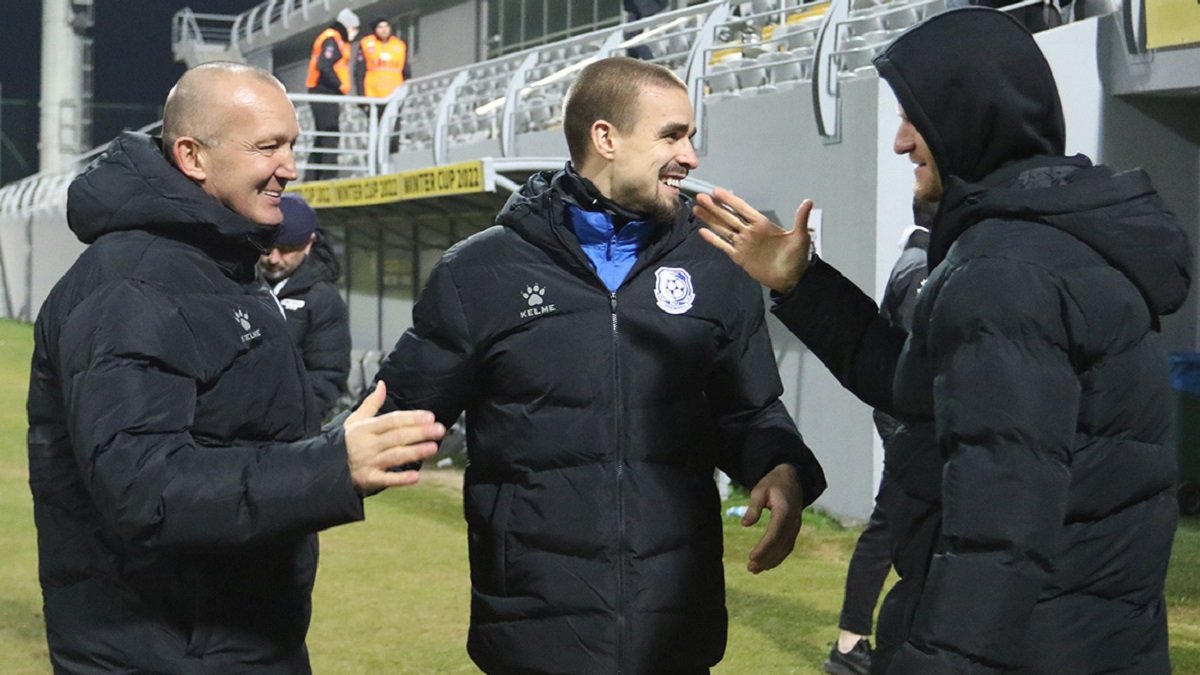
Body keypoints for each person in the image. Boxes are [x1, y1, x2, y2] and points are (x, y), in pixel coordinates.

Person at [694, 8, 1189, 673]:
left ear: (969, 117)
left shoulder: (1004, 270)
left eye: (913, 118)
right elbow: (927, 389)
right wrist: (803, 283)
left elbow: (998, 532)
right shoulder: (1056, 244)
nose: (901, 142)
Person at [372, 56, 827, 674]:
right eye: (672, 135)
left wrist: (780, 466)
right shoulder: (479, 272)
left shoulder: (716, 263)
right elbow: (390, 421)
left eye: (691, 136)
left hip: (675, 633)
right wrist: (297, 477)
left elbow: (751, 410)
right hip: (535, 637)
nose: (690, 157)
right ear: (605, 138)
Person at [26, 62, 445, 673]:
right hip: (166, 653)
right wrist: (331, 466)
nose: (290, 168)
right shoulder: (133, 286)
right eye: (267, 147)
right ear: (193, 156)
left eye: (292, 145)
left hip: (230, 638)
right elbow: (145, 489)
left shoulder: (215, 264)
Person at [824, 199, 930, 675]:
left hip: (901, 414)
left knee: (896, 522)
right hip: (904, 416)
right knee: (890, 523)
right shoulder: (923, 266)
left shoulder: (915, 258)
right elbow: (913, 353)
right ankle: (849, 644)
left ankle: (854, 642)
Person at [259, 192, 351, 420]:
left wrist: (288, 422)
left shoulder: (322, 298)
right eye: (267, 247)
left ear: (309, 244)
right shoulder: (237, 281)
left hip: (284, 426)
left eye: (286, 250)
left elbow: (327, 375)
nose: (273, 259)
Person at [306, 8, 359, 181]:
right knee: (330, 131)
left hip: (325, 90)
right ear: (347, 26)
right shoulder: (332, 39)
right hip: (323, 89)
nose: (355, 33)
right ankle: (328, 174)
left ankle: (312, 175)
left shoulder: (335, 39)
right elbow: (324, 65)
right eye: (354, 29)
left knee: (323, 133)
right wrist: (339, 84)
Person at [355, 17, 411, 100]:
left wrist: (406, 92)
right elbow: (359, 72)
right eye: (380, 27)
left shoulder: (399, 45)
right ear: (375, 29)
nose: (384, 30)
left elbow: (406, 72)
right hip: (372, 95)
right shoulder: (366, 44)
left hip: (395, 95)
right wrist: (361, 97)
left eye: (386, 26)